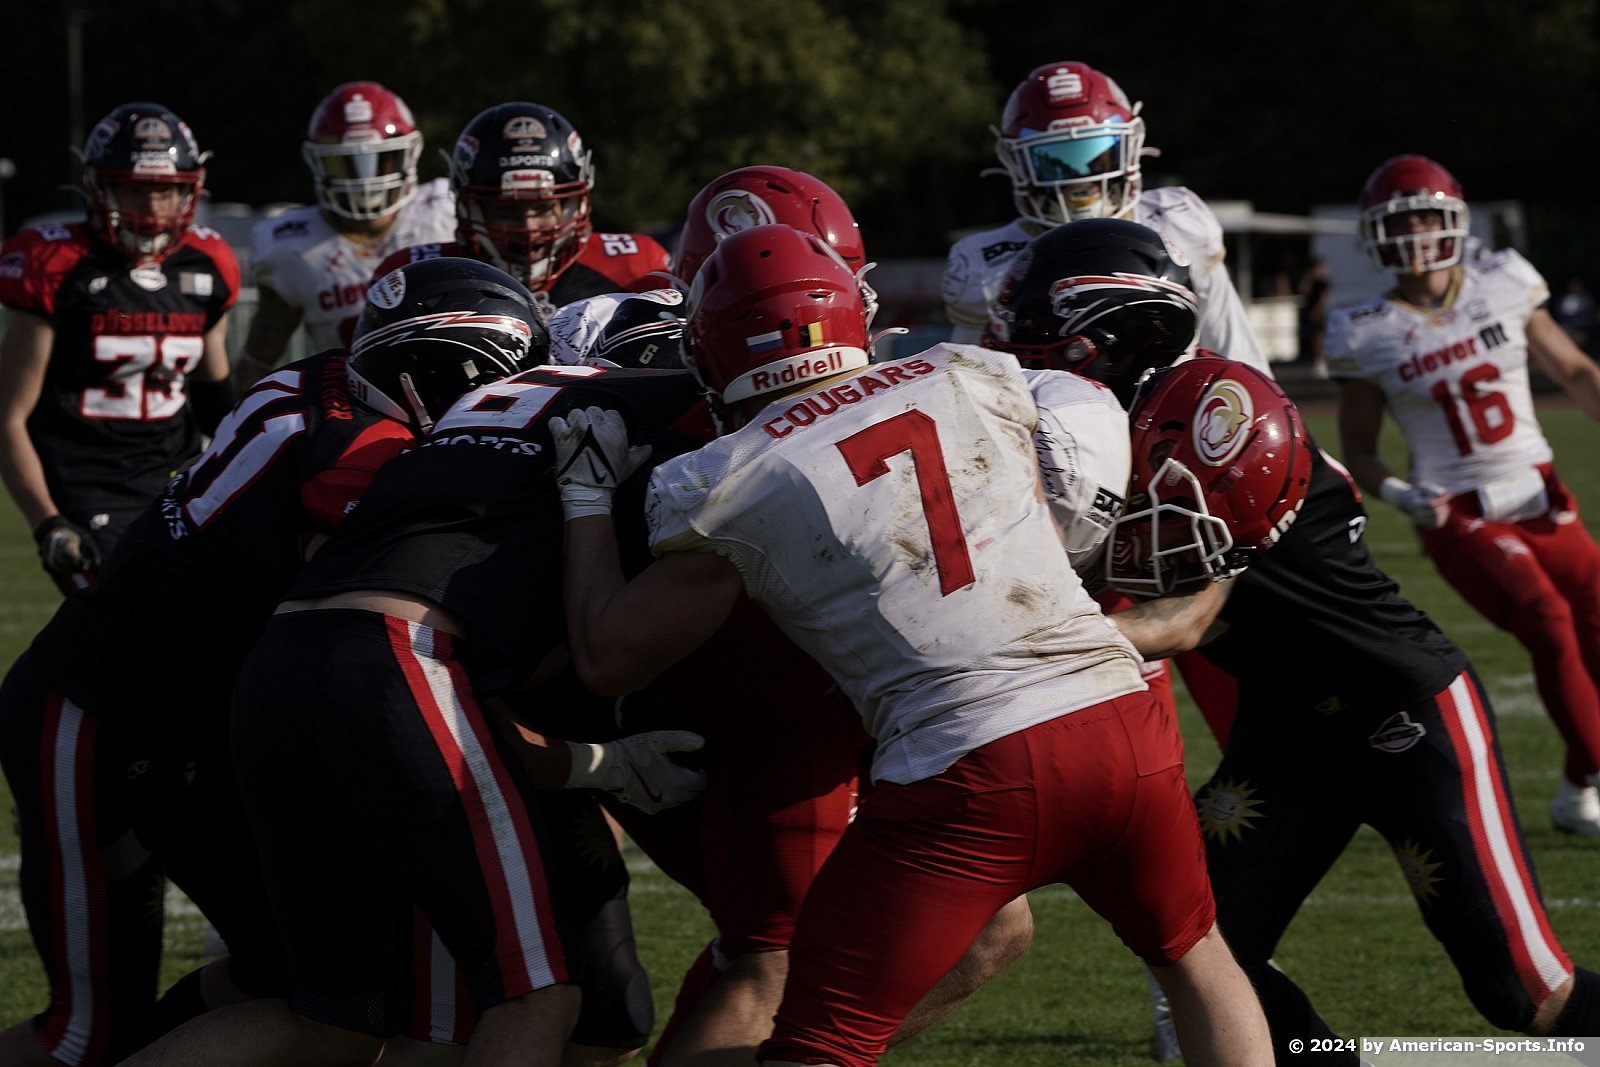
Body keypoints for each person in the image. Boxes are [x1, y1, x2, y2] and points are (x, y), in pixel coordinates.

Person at [553, 222, 1274, 1067]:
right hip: (1120, 716)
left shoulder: (726, 478)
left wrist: (583, 496)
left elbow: (607, 656)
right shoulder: (970, 371)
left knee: (818, 1043)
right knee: (1197, 957)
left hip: (967, 765)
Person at [986, 216, 1600, 1062]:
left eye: (1037, 331)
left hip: (1399, 712)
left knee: (1523, 993)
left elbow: (1184, 617)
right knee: (1197, 943)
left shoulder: (1211, 414)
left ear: (1117, 332)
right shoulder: (1117, 421)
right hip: (1285, 729)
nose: (1017, 350)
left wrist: (1013, 652)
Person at [124, 261, 708, 1067]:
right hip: (398, 661)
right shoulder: (650, 403)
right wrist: (604, 761)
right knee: (538, 995)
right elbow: (543, 674)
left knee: (334, 1017)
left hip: (278, 667)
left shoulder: (443, 433)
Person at [0, 256, 544, 1066]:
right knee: (84, 1031)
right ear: (437, 372)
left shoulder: (324, 381)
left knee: (295, 980)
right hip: (93, 713)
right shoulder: (355, 458)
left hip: (191, 725)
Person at [1328, 154, 1600, 838]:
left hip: (1540, 489)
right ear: (1376, 234)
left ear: (1453, 221)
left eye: (1427, 217)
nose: (1417, 232)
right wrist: (1400, 493)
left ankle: (1577, 788)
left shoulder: (1503, 282)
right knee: (1548, 622)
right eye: (1402, 221)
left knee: (1596, 625)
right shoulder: (1365, 328)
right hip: (1458, 509)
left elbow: (1574, 370)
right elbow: (1360, 449)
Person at [0, 102, 237, 594]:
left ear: (189, 190)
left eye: (165, 191)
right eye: (134, 189)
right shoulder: (56, 263)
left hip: (180, 478)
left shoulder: (208, 263)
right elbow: (9, 417)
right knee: (143, 622)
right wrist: (48, 522)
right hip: (89, 490)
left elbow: (215, 399)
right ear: (98, 187)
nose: (152, 208)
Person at [943, 60, 1269, 375]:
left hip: (1168, 407)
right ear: (1016, 162)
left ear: (1131, 145)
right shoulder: (984, 265)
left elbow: (1236, 352)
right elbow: (968, 383)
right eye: (1053, 160)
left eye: (1095, 155)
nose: (1080, 180)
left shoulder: (1179, 221)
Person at [233, 81, 455, 389]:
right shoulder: (293, 245)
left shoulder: (445, 212)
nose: (365, 180)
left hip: (451, 393)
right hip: (351, 404)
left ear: (408, 154)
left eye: (380, 160)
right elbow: (257, 361)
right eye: (346, 164)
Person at [372, 101, 671, 320]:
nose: (528, 226)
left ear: (573, 204)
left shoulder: (638, 268)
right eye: (506, 209)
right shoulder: (415, 279)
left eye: (543, 207)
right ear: (469, 207)